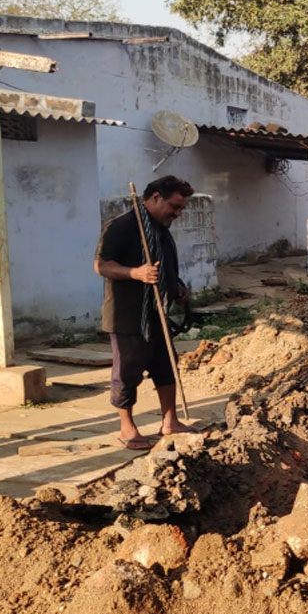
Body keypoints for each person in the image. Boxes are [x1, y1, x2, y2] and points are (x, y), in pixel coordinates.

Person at [94, 175, 198, 449]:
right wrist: (135, 273)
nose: (177, 213)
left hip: (157, 312)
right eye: (174, 206)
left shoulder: (161, 228)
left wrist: (176, 287)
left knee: (166, 367)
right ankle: (127, 428)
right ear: (155, 198)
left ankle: (170, 422)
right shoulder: (123, 226)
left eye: (181, 209)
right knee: (127, 372)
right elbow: (102, 266)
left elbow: (164, 267)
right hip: (128, 315)